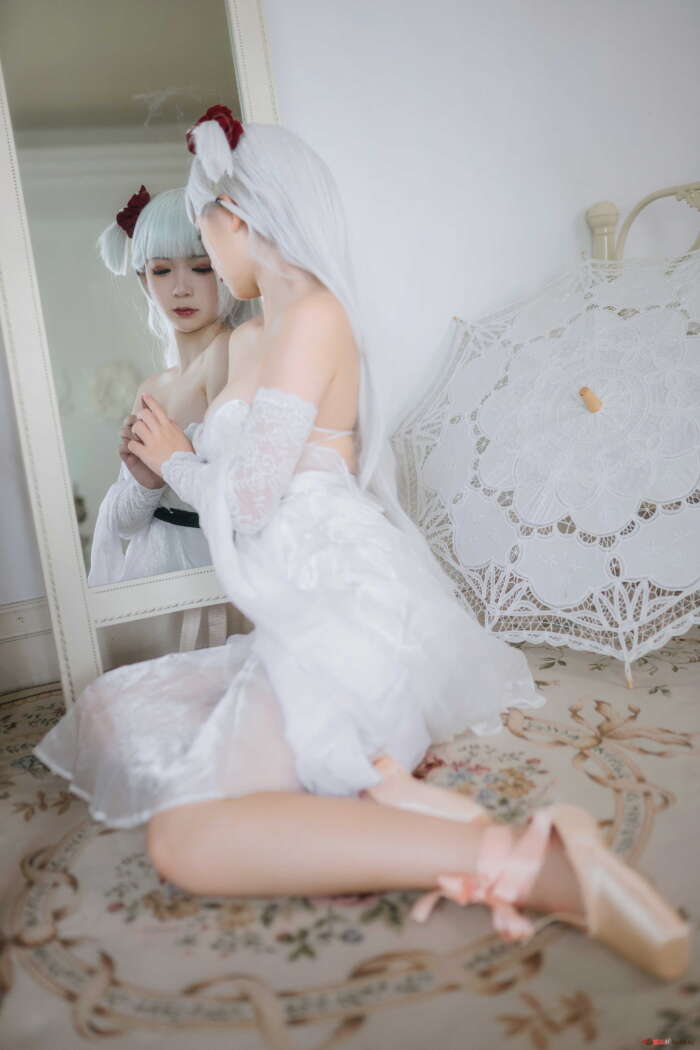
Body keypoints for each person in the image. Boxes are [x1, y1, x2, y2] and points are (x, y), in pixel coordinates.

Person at [34, 106, 690, 982]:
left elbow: (252, 501)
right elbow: (242, 478)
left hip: (340, 599)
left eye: (203, 231)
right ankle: (398, 796)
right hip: (297, 597)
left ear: (236, 217)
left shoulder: (313, 315)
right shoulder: (265, 330)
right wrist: (162, 464)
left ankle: (524, 861)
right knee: (120, 712)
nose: (202, 258)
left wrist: (178, 458)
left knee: (185, 837)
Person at [88, 184, 255, 585]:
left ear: (226, 266)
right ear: (144, 280)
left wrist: (172, 463)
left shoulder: (228, 354)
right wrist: (147, 480)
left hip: (207, 576)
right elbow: (126, 526)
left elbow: (243, 503)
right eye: (162, 270)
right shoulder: (152, 387)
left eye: (201, 267)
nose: (180, 288)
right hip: (151, 578)